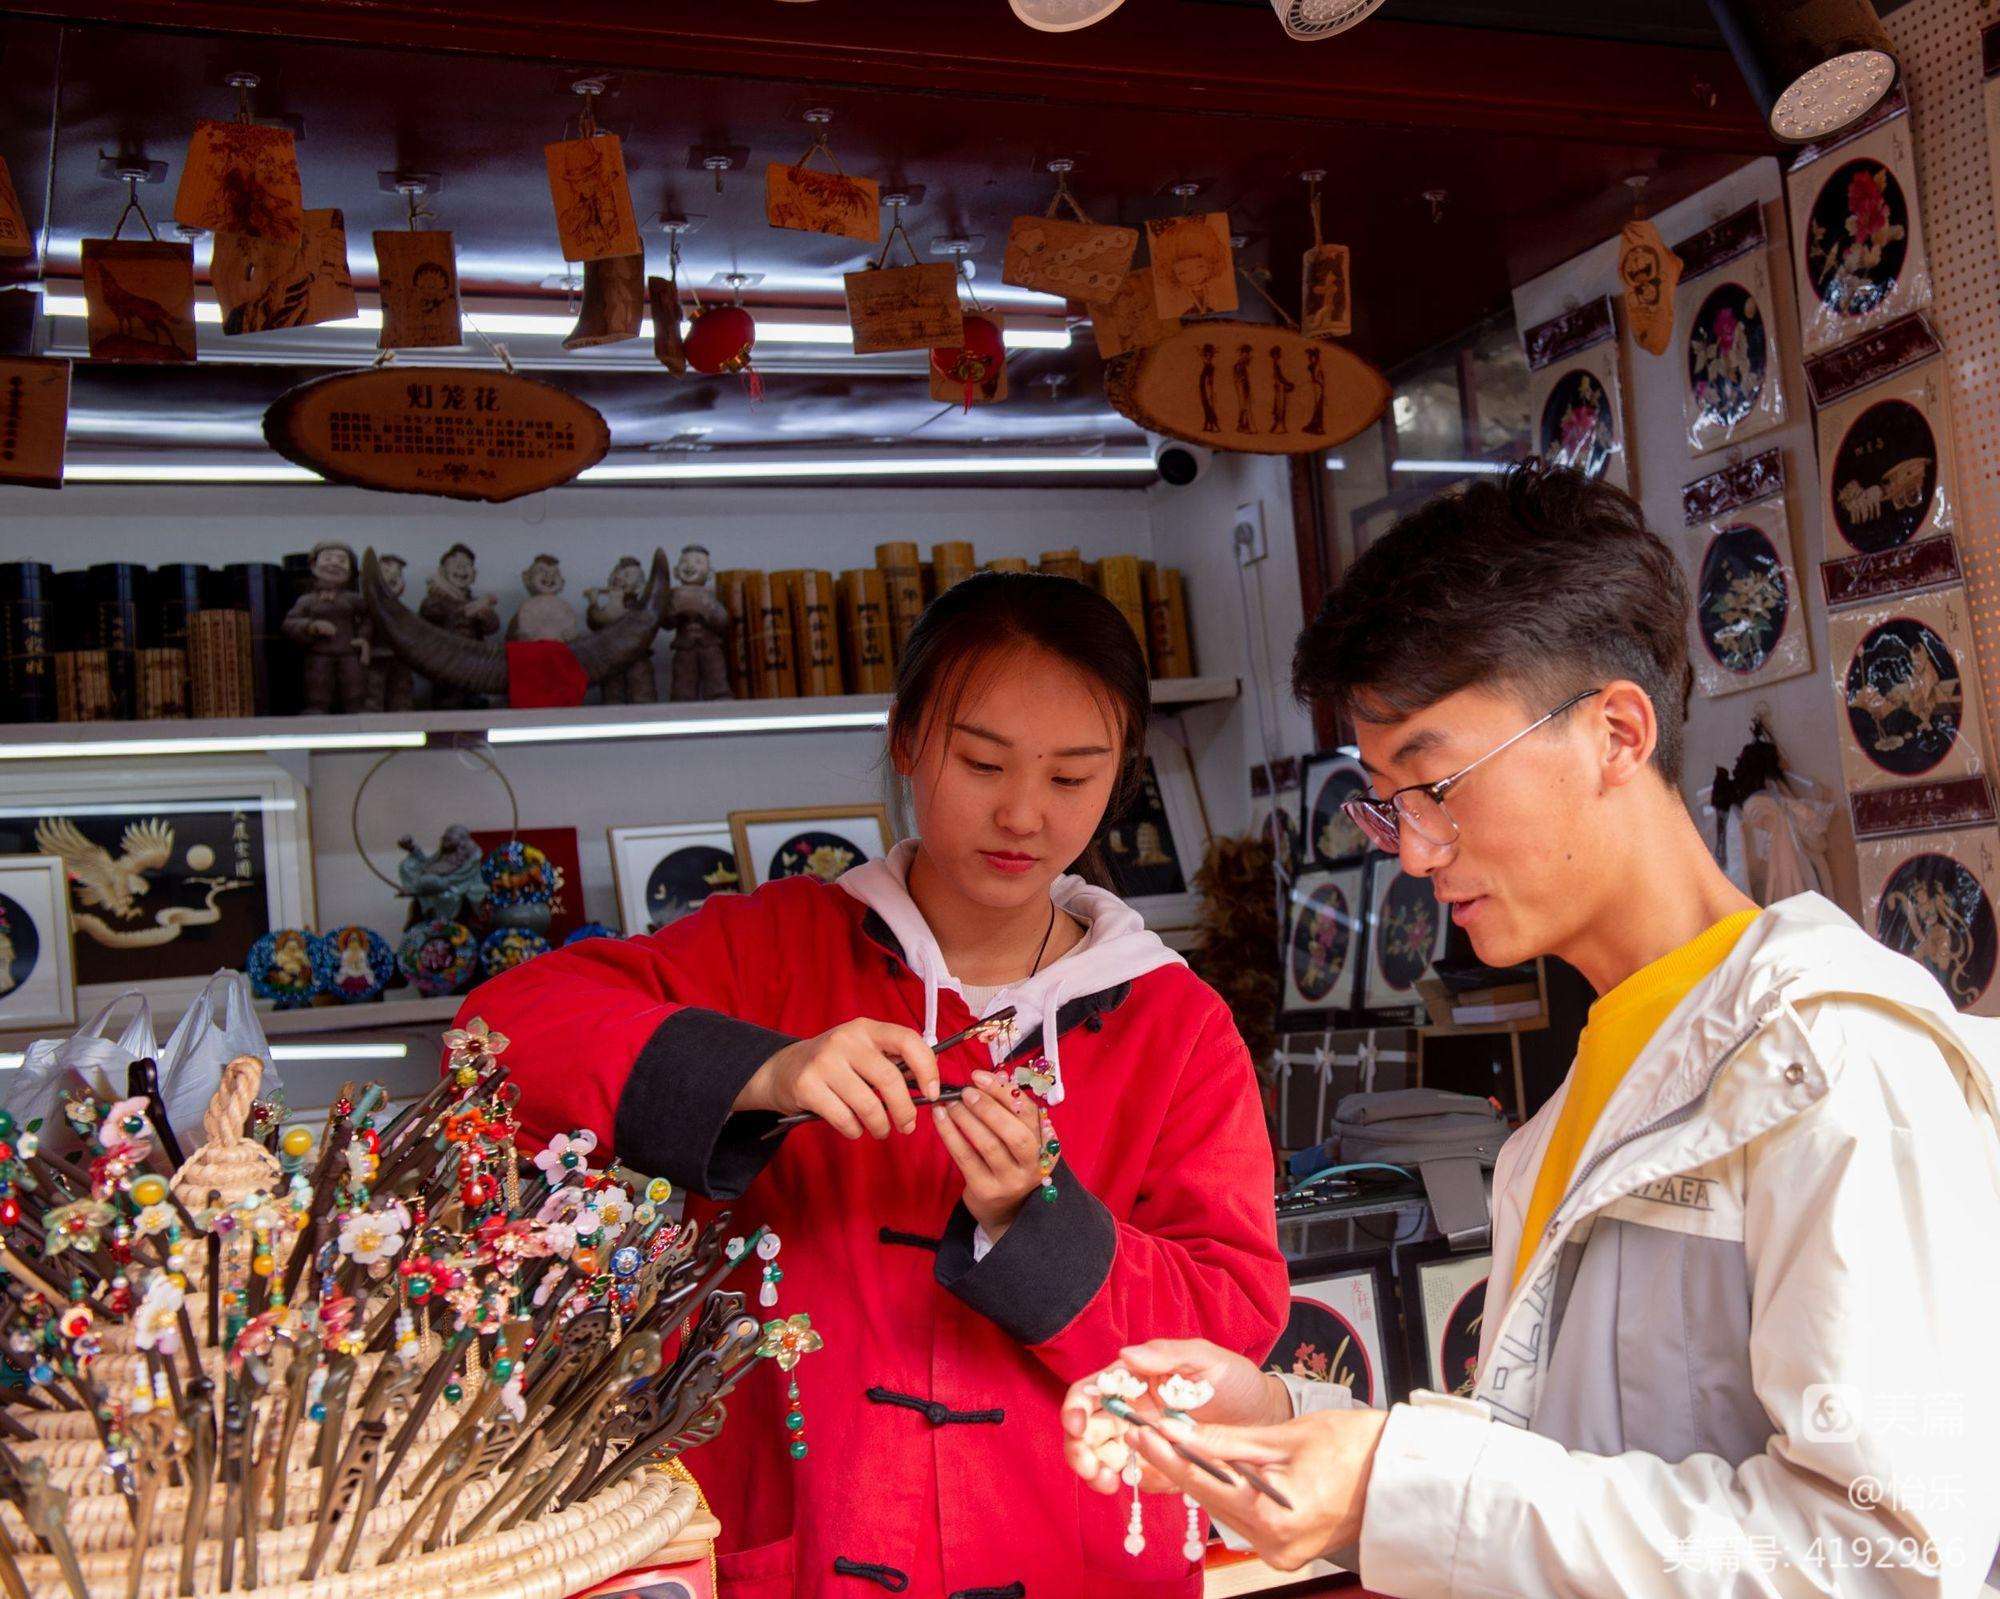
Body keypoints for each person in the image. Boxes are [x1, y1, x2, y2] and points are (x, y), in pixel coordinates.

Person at [1063, 464, 2000, 1595]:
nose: (1411, 851)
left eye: (1436, 784)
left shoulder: (1837, 1064)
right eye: (1385, 804)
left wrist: (1393, 1484)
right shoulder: (1585, 1096)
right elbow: (1567, 1458)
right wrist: (1283, 1419)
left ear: (1614, 731)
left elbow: (1887, 1553)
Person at [459, 570, 1287, 1599]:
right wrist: (764, 1068)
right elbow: (500, 1032)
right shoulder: (775, 948)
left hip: (1074, 1558)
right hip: (799, 1548)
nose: (1022, 813)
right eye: (981, 761)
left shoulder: (1171, 1022)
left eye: (1073, 778)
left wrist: (1038, 1222)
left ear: (1119, 778)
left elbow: (1231, 1325)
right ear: (906, 741)